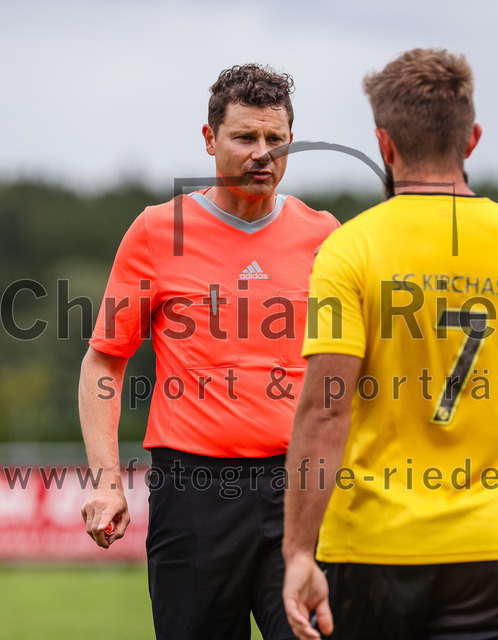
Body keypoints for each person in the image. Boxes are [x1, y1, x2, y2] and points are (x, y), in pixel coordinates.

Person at [282, 48, 498, 640]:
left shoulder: (350, 248)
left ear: (384, 145)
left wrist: (297, 551)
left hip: (369, 550)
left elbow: (325, 411)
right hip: (491, 550)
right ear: (472, 140)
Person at [79, 63, 339, 640]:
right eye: (245, 137)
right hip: (192, 492)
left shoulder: (325, 236)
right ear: (209, 138)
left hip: (299, 489)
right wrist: (106, 479)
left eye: (275, 139)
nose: (262, 154)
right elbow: (104, 360)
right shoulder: (157, 232)